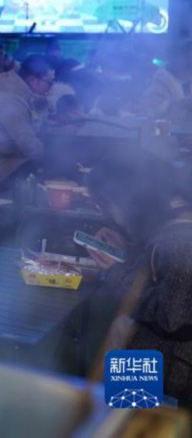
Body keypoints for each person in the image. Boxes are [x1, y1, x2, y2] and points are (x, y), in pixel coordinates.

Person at [84, 157, 192, 403]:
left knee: (128, 415)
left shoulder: (178, 241)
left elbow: (173, 316)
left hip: (174, 363)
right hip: (174, 354)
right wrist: (131, 252)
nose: (111, 215)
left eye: (108, 205)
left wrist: (116, 271)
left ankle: (129, 416)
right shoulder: (177, 214)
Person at [0, 55, 53, 185]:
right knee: (52, 166)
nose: (50, 88)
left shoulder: (17, 97)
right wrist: (54, 155)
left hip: (4, 163)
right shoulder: (11, 101)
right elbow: (29, 146)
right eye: (49, 83)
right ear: (32, 80)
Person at [134, 44, 192, 119]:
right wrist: (179, 106)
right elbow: (150, 117)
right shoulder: (158, 88)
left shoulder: (186, 82)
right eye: (188, 61)